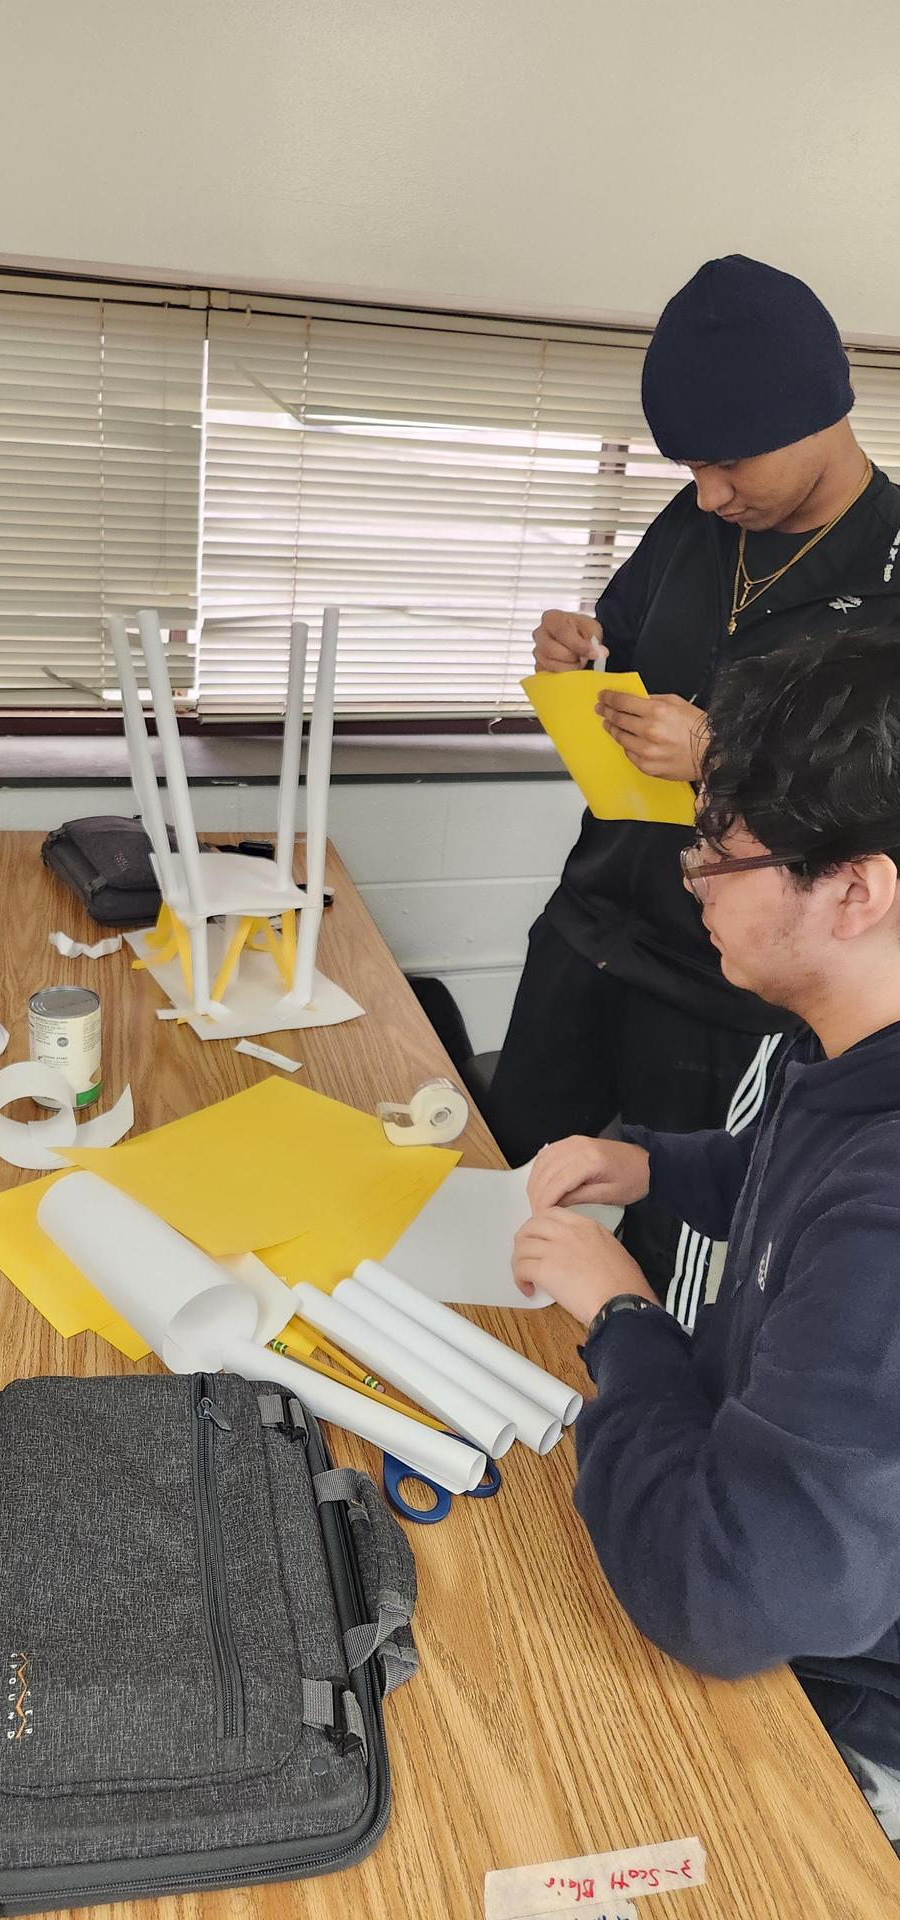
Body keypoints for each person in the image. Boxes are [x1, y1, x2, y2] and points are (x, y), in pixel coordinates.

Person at [511, 627, 900, 1848]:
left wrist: (625, 1324)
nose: (693, 882)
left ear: (854, 890)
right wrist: (659, 1168)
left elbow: (722, 1594)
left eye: (716, 859)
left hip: (839, 1692)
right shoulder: (842, 1051)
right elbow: (795, 1178)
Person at [486, 254, 900, 1326]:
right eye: (690, 467)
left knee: (685, 1255)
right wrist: (577, 652)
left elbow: (879, 828)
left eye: (726, 464)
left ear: (820, 412)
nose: (709, 493)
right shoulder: (694, 521)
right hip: (593, 924)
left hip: (727, 985)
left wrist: (728, 758)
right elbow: (627, 643)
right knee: (512, 1178)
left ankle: (626, 1452)